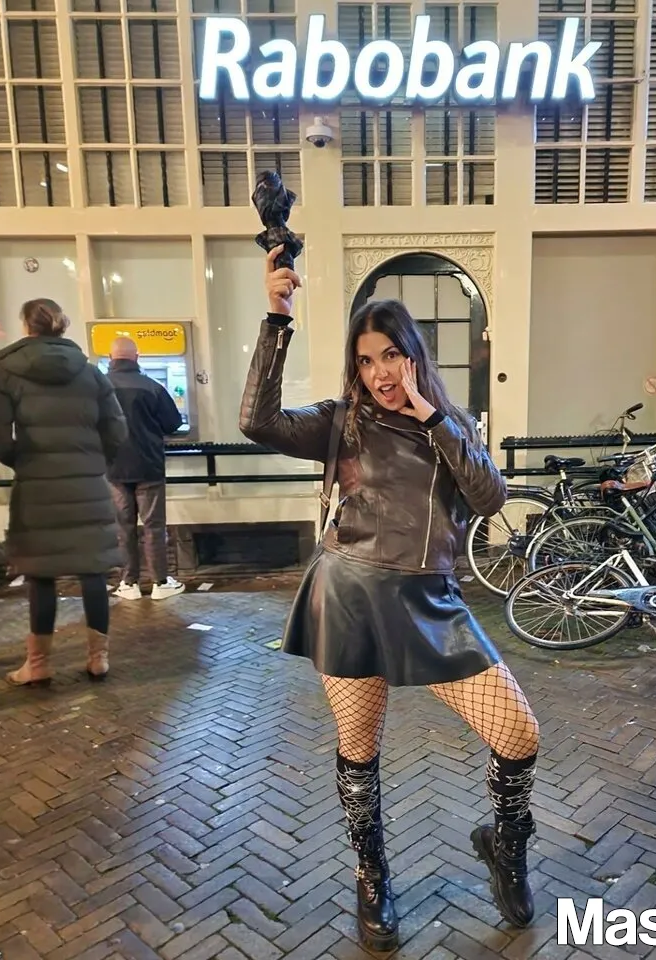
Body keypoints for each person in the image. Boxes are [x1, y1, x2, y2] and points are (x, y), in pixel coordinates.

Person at [239, 247, 540, 952]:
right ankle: (370, 876)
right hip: (349, 594)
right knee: (360, 750)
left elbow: (489, 498)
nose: (380, 372)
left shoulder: (451, 425)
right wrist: (277, 316)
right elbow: (257, 420)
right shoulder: (341, 422)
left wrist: (433, 418)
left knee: (519, 735)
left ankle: (505, 844)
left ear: (414, 356)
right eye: (366, 360)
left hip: (432, 602)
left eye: (392, 356)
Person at [0, 298, 128, 685]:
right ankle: (98, 659)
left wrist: (27, 462)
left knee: (41, 574)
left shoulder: (5, 374)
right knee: (93, 571)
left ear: (26, 327)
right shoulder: (91, 374)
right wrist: (92, 462)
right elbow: (117, 431)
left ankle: (37, 664)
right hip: (88, 485)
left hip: (37, 490)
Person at [105, 336, 186, 601]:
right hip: (149, 467)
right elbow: (173, 423)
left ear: (110, 357)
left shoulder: (97, 389)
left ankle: (129, 583)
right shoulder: (152, 386)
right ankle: (160, 583)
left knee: (124, 527)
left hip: (114, 470)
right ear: (137, 357)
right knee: (153, 526)